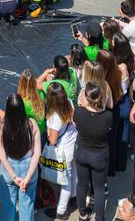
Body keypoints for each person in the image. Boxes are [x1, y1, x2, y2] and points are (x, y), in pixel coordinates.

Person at [0, 94, 41, 221]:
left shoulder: (2, 127)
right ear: (22, 108)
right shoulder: (31, 124)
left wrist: (14, 177)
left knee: (7, 205)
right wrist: (27, 178)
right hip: (28, 168)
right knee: (27, 205)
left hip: (8, 168)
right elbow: (36, 153)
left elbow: (2, 156)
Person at [74, 82, 112, 221]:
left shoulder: (78, 112)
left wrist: (81, 99)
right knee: (99, 189)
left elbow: (78, 113)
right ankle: (99, 218)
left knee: (82, 184)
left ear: (86, 97)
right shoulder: (107, 116)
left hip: (82, 154)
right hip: (99, 157)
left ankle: (82, 215)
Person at [45, 82, 78, 220]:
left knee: (65, 182)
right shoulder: (69, 103)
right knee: (73, 173)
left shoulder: (54, 117)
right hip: (73, 144)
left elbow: (52, 141)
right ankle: (74, 197)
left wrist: (47, 131)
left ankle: (61, 210)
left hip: (63, 151)